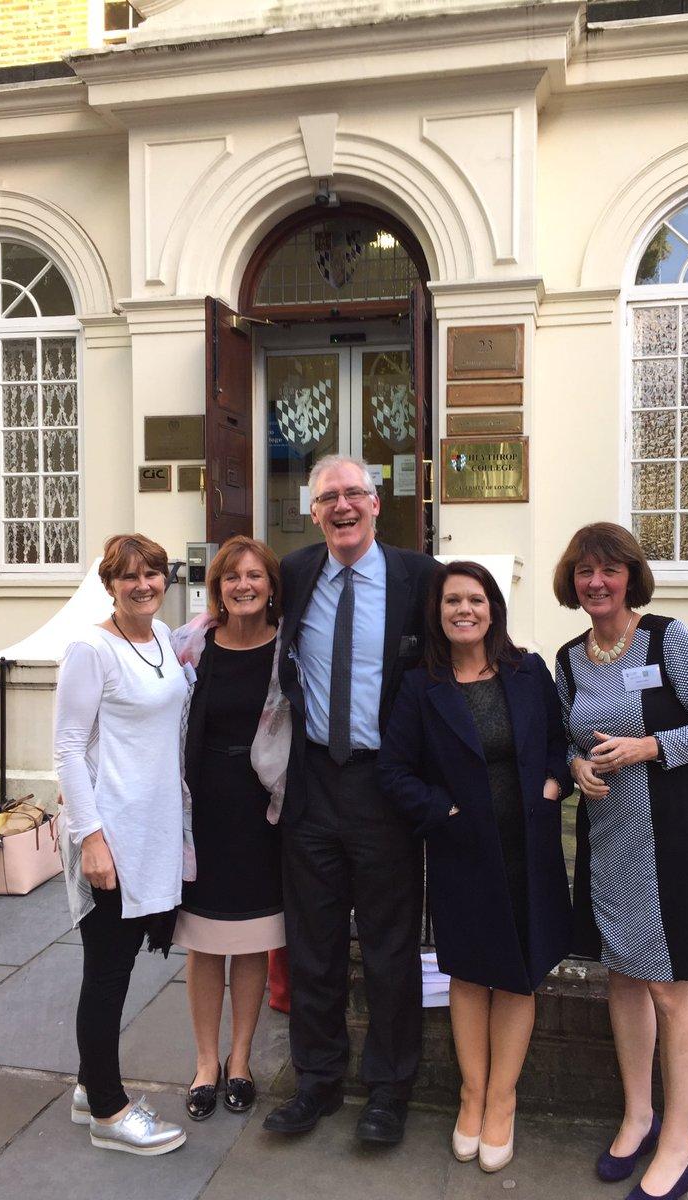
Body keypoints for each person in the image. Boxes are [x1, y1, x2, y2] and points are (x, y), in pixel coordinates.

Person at [553, 523, 688, 1200]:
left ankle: (679, 1142)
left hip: (667, 835)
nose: (595, 582)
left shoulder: (668, 639)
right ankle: (637, 1115)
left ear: (630, 575)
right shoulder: (570, 656)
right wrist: (576, 765)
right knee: (623, 979)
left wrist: (647, 748)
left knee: (669, 986)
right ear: (571, 583)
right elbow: (565, 737)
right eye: (583, 572)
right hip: (606, 835)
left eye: (608, 570)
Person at [262, 454, 438, 1145]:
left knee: (392, 947)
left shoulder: (417, 577)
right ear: (314, 512)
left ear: (376, 504)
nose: (341, 506)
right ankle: (318, 1081)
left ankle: (390, 1090)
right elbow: (244, 627)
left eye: (353, 494)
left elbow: (457, 651)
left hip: (383, 787)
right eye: (327, 497)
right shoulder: (296, 573)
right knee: (313, 944)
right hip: (311, 784)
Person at [378, 561, 572, 1172]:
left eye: (476, 599)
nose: (465, 609)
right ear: (437, 613)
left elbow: (561, 742)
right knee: (468, 975)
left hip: (528, 847)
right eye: (452, 600)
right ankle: (470, 1095)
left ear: (494, 608)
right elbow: (393, 772)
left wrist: (552, 783)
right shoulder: (420, 686)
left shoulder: (528, 671)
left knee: (519, 974)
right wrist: (444, 809)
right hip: (462, 849)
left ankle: (502, 1101)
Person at [54, 534, 190, 1155]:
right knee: (106, 973)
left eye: (154, 574)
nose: (144, 585)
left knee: (120, 965)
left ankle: (91, 1083)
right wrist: (92, 841)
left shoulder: (162, 637)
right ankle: (109, 1111)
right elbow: (67, 751)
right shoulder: (90, 649)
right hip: (111, 833)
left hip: (151, 829)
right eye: (129, 576)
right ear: (109, 584)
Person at [170, 535, 288, 1121]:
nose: (244, 586)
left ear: (271, 586)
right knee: (203, 943)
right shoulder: (190, 644)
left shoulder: (290, 649)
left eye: (255, 576)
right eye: (232, 577)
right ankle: (205, 1062)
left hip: (262, 812)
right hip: (201, 812)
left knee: (249, 941)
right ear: (217, 587)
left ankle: (240, 1060)